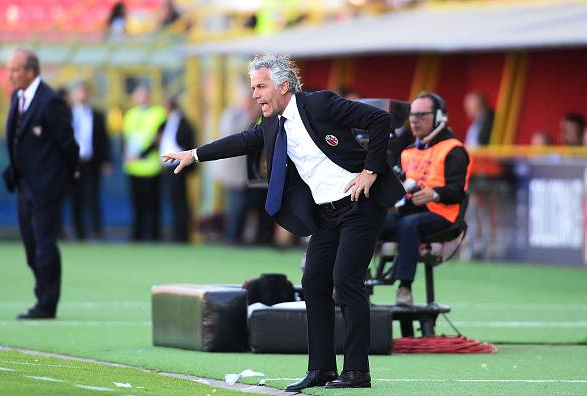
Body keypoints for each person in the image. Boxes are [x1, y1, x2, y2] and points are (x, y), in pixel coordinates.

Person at [163, 54, 404, 391]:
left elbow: (380, 120)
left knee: (346, 281)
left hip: (360, 204)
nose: (254, 94)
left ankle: (357, 371)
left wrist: (371, 170)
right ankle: (321, 369)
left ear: (283, 86)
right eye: (252, 87)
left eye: (260, 86)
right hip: (325, 213)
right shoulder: (273, 124)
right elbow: (241, 142)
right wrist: (194, 155)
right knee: (313, 283)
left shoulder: (320, 104)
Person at [2, 49, 79, 319]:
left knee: (45, 245)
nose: (10, 76)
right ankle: (41, 296)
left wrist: (72, 172)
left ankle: (47, 303)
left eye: (14, 70)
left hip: (46, 185)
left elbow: (67, 142)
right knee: (31, 246)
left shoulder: (50, 101)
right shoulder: (17, 97)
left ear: (31, 71)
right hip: (24, 184)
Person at [381, 92, 470, 306]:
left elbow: (458, 192)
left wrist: (435, 194)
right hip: (410, 213)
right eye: (412, 115)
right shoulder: (408, 151)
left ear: (439, 117)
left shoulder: (454, 150)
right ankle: (355, 278)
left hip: (443, 215)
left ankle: (405, 288)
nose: (414, 120)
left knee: (408, 225)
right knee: (370, 220)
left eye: (422, 115)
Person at [212, 93, 261, 244]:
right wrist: (253, 113)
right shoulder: (232, 115)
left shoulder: (242, 115)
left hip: (245, 174)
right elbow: (237, 134)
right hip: (233, 174)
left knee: (242, 206)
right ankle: (231, 237)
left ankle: (237, 236)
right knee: (236, 206)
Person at [122, 85, 166, 241]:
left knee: (153, 205)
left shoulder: (158, 113)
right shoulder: (130, 114)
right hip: (134, 167)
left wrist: (141, 155)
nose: (142, 98)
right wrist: (128, 156)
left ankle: (154, 236)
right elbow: (127, 138)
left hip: (151, 166)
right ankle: (137, 236)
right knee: (137, 205)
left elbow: (157, 139)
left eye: (145, 94)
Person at [70, 82, 112, 240]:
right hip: (72, 163)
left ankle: (97, 231)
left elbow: (103, 139)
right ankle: (78, 232)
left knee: (93, 196)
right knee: (75, 197)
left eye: (84, 92)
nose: (82, 95)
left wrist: (106, 160)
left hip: (91, 162)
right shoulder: (66, 114)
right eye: (79, 92)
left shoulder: (97, 115)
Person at [158, 96, 196, 242]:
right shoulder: (166, 122)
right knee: (174, 200)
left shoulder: (183, 122)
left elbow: (188, 142)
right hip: (168, 167)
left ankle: (183, 234)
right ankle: (177, 232)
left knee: (181, 201)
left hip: (179, 166)